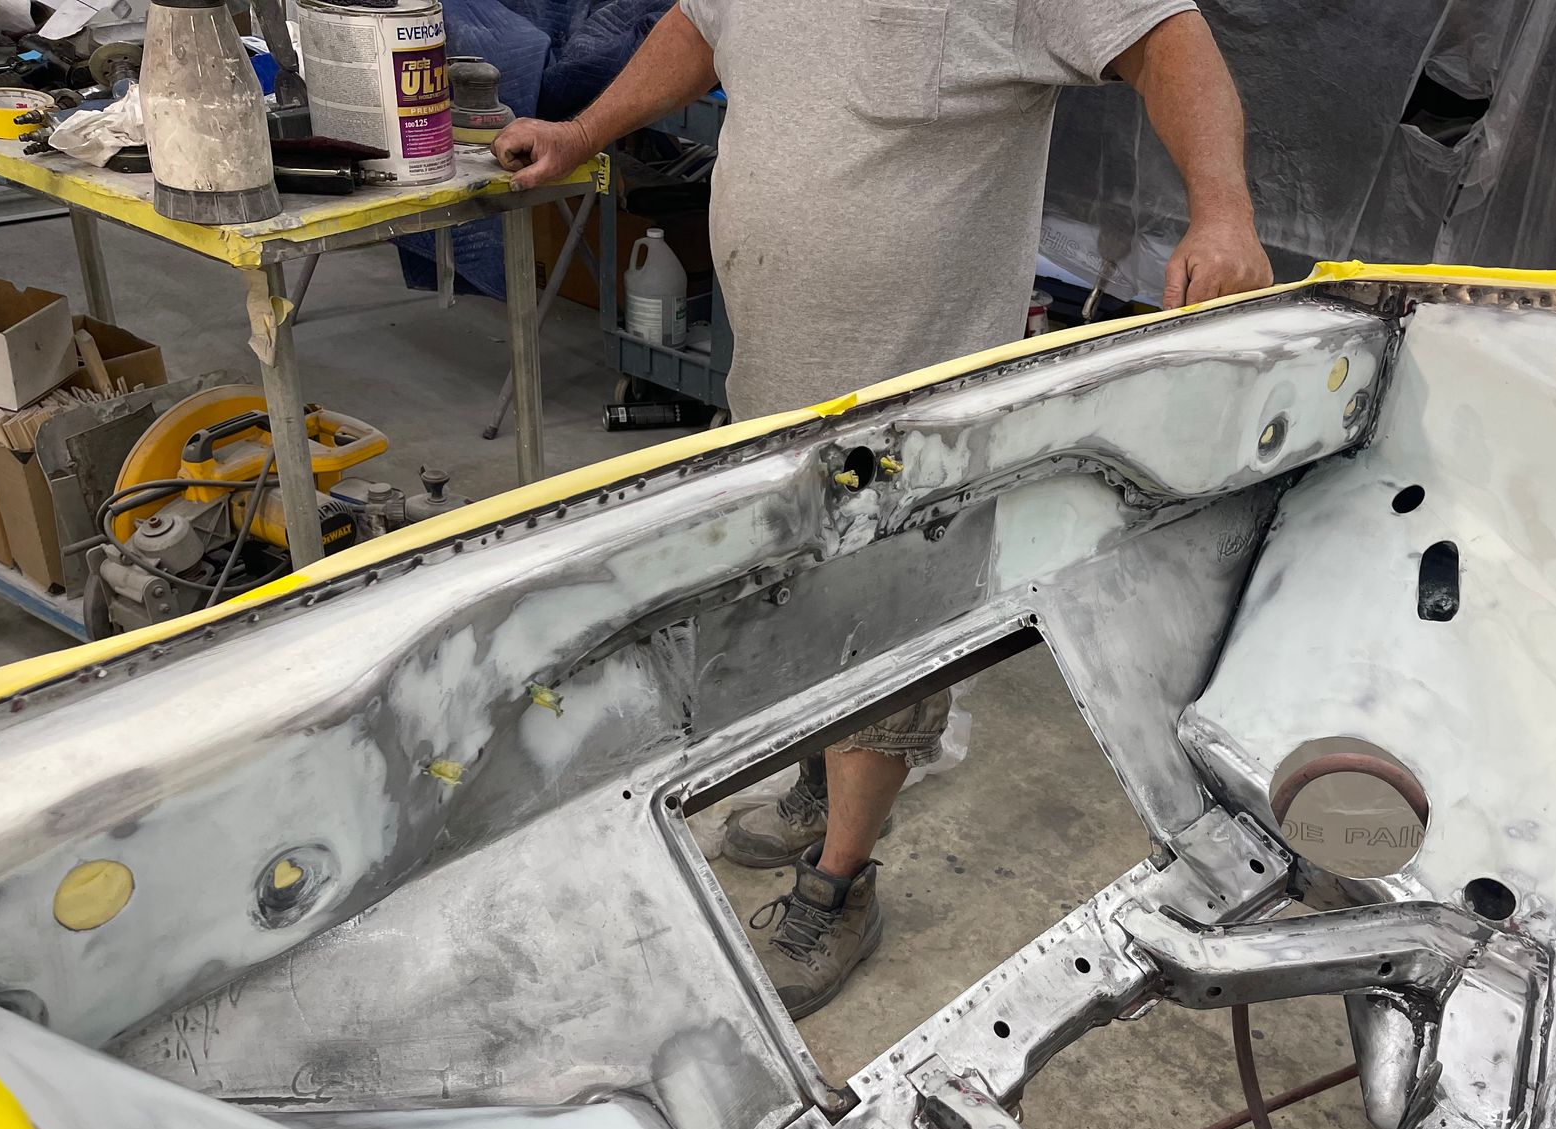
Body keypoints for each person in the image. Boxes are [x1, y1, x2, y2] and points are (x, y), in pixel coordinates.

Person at [494, 0, 1271, 1019]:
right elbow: (701, 25)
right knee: (797, 605)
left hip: (918, 412)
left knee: (889, 636)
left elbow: (1169, 38)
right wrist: (580, 131)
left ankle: (842, 884)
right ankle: (823, 785)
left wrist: (1224, 214)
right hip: (777, 378)